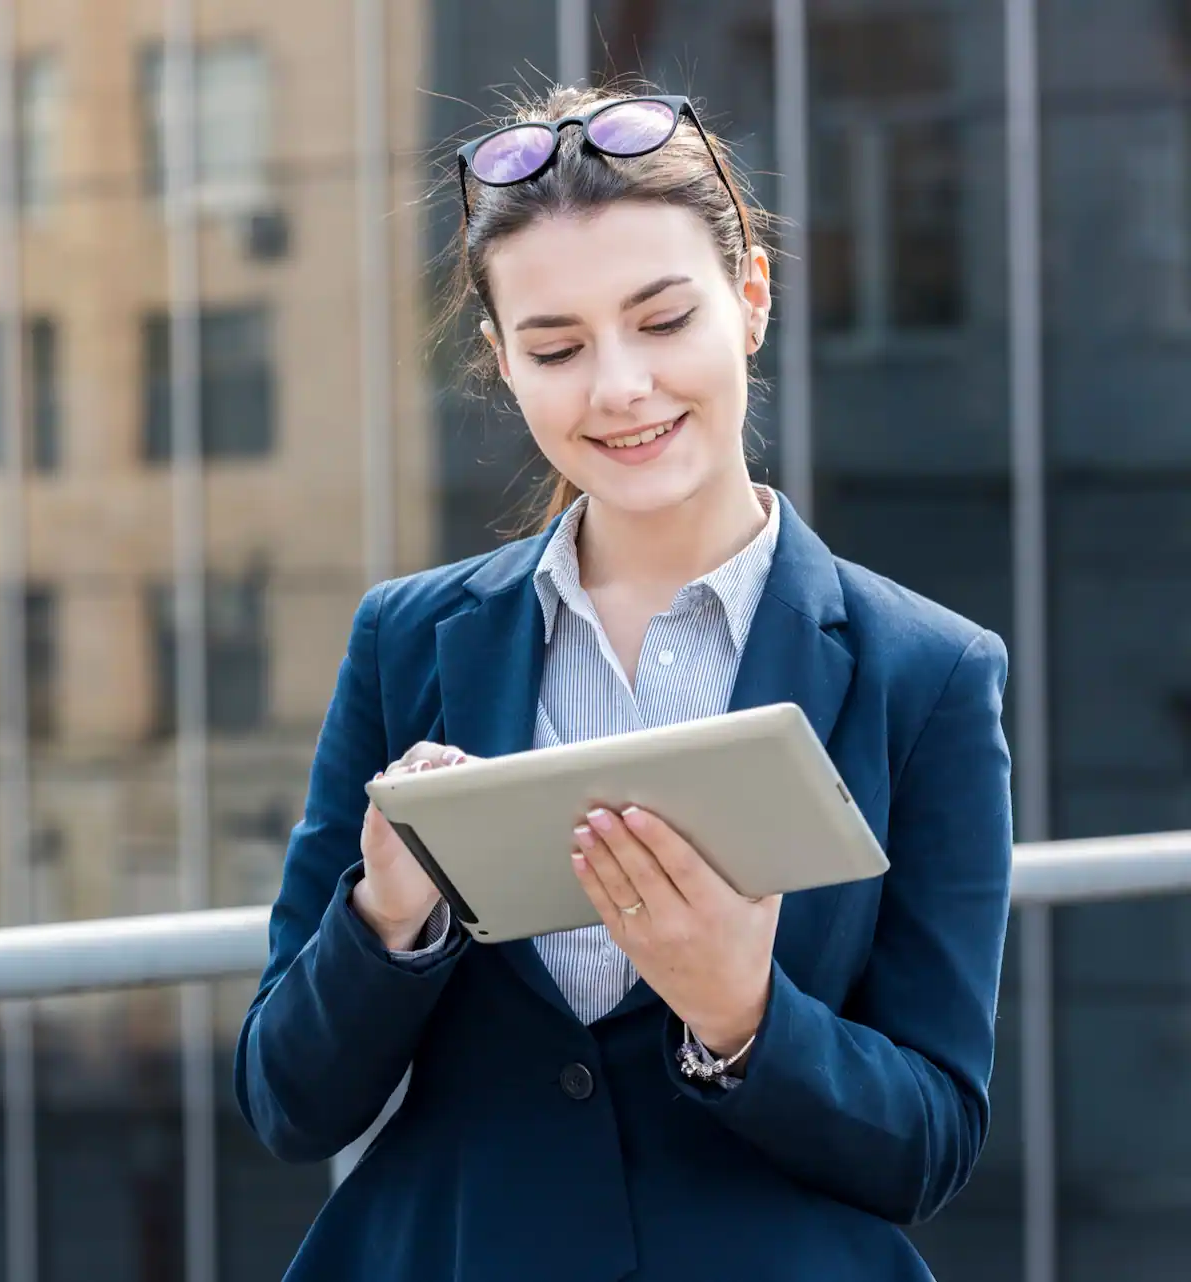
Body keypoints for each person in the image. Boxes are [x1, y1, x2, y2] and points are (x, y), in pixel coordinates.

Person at [232, 83, 1013, 1281]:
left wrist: (744, 1016)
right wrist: (388, 921)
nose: (620, 389)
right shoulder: (411, 640)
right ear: (501, 363)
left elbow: (931, 1143)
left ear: (749, 301)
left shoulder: (927, 673)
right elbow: (289, 1102)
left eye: (662, 321)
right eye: (555, 347)